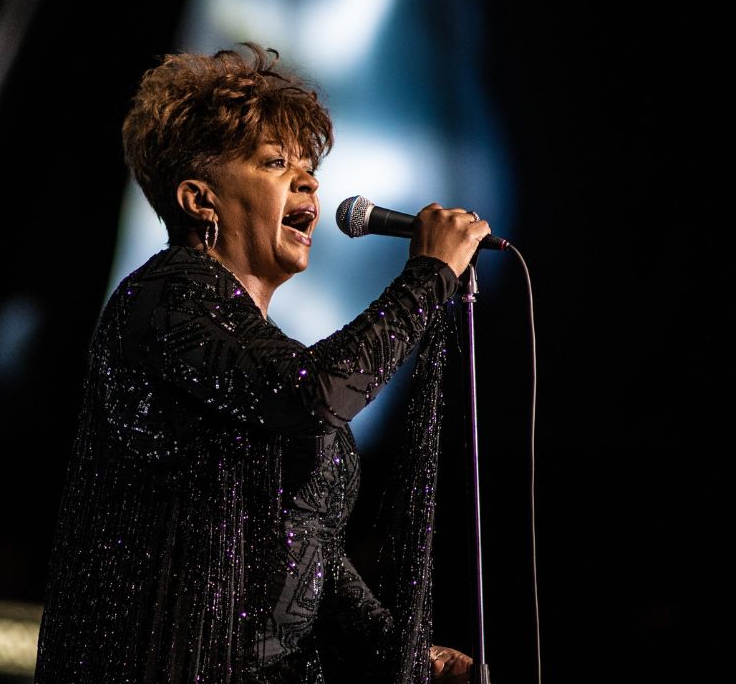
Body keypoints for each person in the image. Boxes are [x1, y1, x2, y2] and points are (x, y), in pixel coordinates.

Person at [34, 44, 481, 683]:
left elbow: (308, 556)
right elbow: (319, 394)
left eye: (309, 167)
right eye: (276, 163)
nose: (309, 183)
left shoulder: (254, 345)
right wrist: (429, 277)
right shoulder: (164, 297)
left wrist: (409, 653)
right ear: (199, 199)